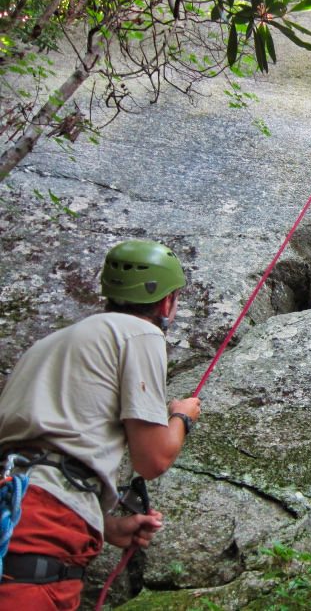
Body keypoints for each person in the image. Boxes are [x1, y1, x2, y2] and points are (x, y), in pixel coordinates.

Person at [0, 239, 201, 609]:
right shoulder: (139, 335)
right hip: (41, 530)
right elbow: (152, 459)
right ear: (167, 302)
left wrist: (107, 526)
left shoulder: (44, 347)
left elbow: (41, 457)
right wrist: (182, 417)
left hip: (15, 503)